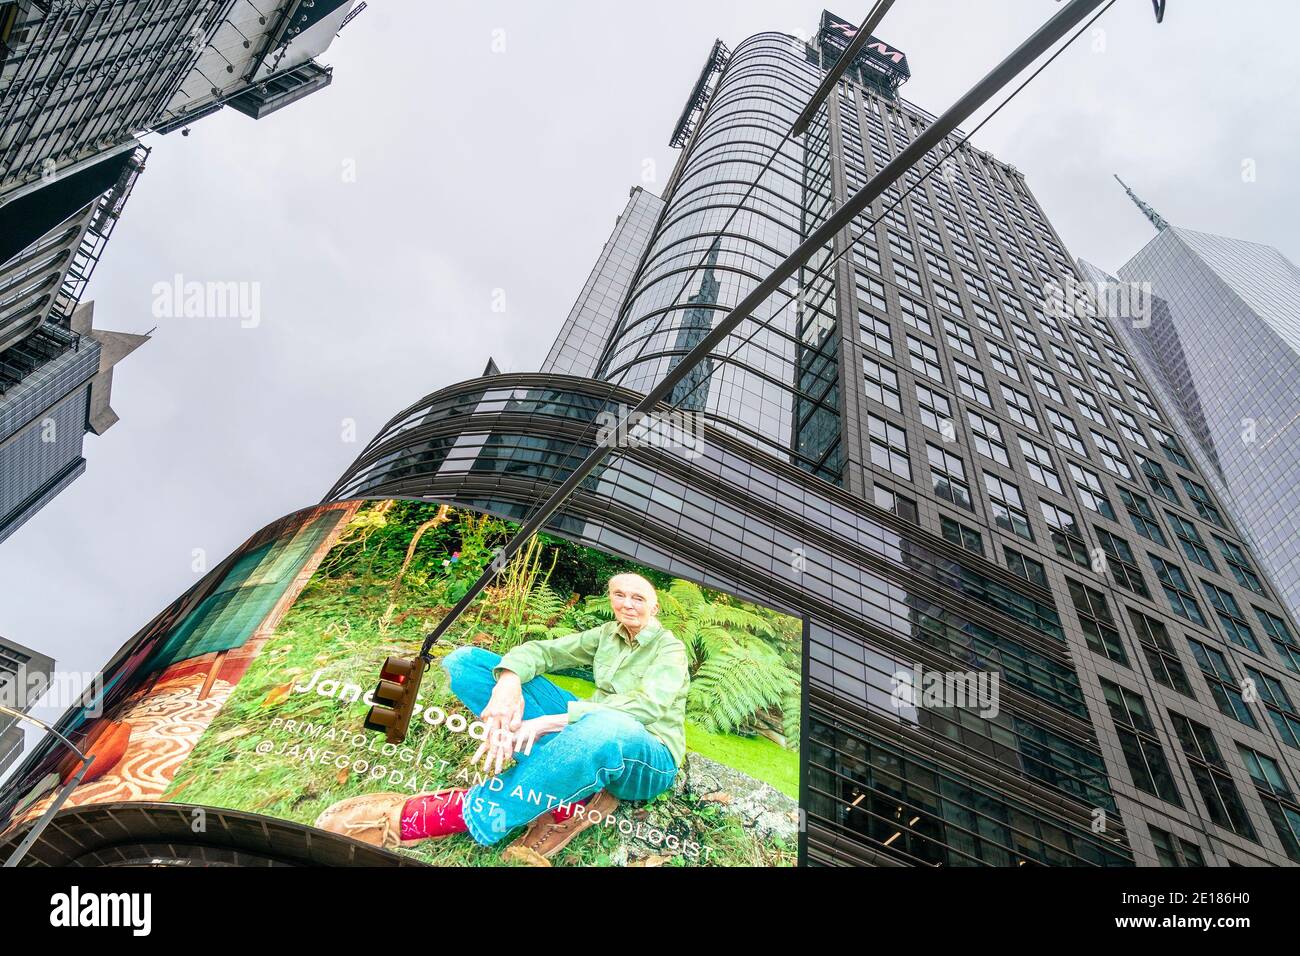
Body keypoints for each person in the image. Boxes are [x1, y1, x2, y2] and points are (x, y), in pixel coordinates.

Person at [316, 572, 689, 859]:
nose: (627, 604)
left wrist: (552, 721)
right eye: (619, 595)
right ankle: (569, 784)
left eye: (638, 598)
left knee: (605, 726)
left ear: (654, 607)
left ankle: (438, 817)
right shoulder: (608, 633)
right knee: (468, 662)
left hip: (647, 756)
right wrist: (508, 684)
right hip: (590, 729)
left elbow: (647, 707)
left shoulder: (670, 650)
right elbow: (544, 652)